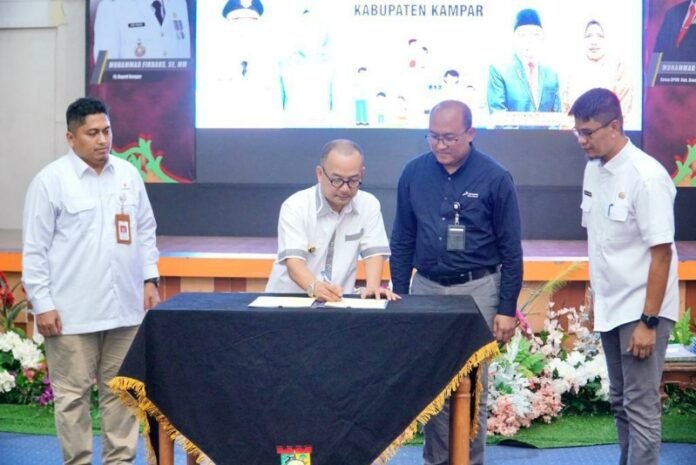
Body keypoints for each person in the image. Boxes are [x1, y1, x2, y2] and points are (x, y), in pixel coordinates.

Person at [22, 97, 160, 464]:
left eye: (107, 131)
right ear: (71, 138)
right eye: (92, 133)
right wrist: (42, 304)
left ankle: (120, 461)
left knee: (122, 394)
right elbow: (35, 249)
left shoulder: (128, 174)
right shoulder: (50, 181)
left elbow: (145, 230)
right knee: (72, 399)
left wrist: (150, 278)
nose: (102, 140)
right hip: (71, 313)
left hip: (125, 309)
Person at [390, 99, 523, 465]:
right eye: (433, 136)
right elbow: (402, 237)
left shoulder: (495, 177)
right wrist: (400, 294)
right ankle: (436, 461)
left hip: (478, 289)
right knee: (433, 387)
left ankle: (469, 461)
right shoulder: (413, 173)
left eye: (449, 137)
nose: (440, 145)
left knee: (473, 389)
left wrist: (506, 308)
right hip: (427, 288)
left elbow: (511, 250)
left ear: (470, 133)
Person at [569, 88, 678, 465]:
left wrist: (649, 321)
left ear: (614, 126)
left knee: (640, 403)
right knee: (620, 401)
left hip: (642, 306)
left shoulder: (646, 177)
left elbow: (662, 254)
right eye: (577, 132)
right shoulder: (593, 168)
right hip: (611, 304)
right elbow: (601, 240)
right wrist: (595, 298)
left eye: (588, 132)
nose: (582, 140)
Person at [265, 139, 397, 302]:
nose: (345, 188)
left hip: (338, 304)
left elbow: (373, 253)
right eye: (337, 180)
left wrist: (373, 287)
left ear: (362, 174)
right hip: (287, 303)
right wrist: (315, 287)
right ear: (320, 174)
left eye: (353, 180)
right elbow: (294, 264)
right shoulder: (295, 206)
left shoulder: (368, 204)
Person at [487, 8, 560, 113]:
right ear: (514, 38)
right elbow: (498, 114)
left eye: (535, 35)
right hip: (509, 125)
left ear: (542, 37)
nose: (529, 40)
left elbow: (557, 114)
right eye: (522, 35)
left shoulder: (551, 73)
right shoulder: (499, 70)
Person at [562, 20, 633, 117]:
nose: (594, 42)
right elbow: (566, 113)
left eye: (600, 36)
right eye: (589, 36)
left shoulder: (620, 70)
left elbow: (623, 113)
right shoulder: (572, 73)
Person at [93, 0, 191, 61]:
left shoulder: (179, 4)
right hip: (133, 88)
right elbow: (102, 72)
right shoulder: (111, 7)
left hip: (175, 87)